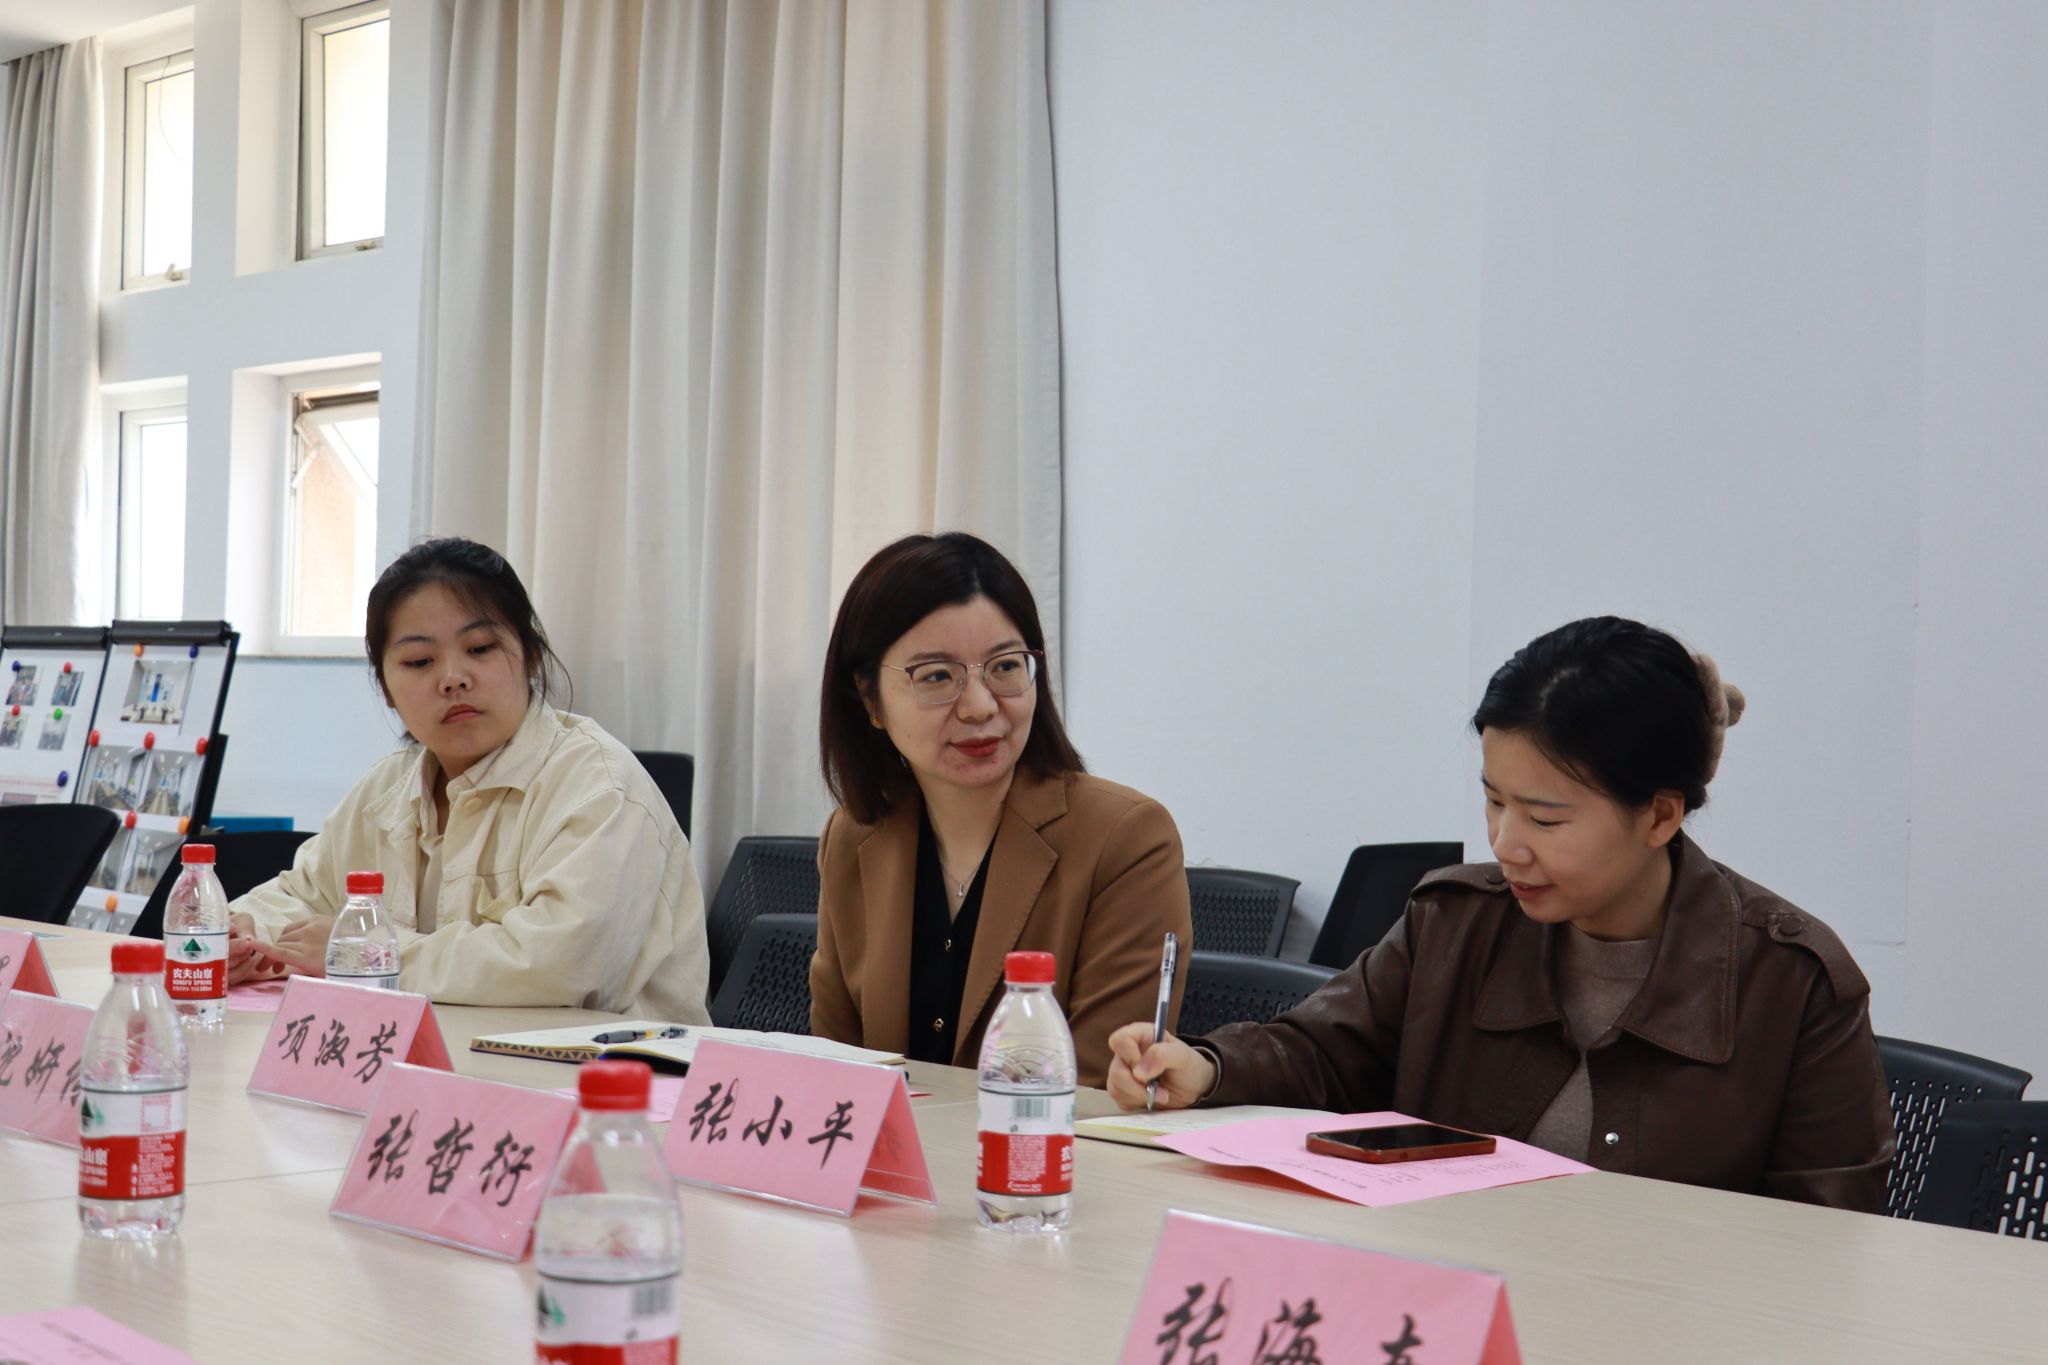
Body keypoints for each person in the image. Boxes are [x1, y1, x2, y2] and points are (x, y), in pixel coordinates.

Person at [1107, 616, 1895, 1212]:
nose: (1505, 843)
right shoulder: (1456, 922)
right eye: (1493, 801)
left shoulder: (1793, 981)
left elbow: (1830, 1234)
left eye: (1546, 818)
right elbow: (1321, 1052)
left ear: (1660, 814)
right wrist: (1206, 1067)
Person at [228, 537, 711, 1023]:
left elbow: (560, 966)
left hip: (611, 1065)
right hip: (444, 1056)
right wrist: (243, 935)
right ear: (386, 688)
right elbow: (305, 895)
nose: (453, 678)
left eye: (480, 648)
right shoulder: (387, 787)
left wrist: (366, 953)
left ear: (531, 656)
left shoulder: (599, 786)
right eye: (419, 661)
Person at [810, 532, 1191, 1087]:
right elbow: (834, 1071)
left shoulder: (1127, 839)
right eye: (937, 676)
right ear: (869, 700)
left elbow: (1096, 1091)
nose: (980, 705)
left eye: (1005, 667)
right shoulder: (853, 837)